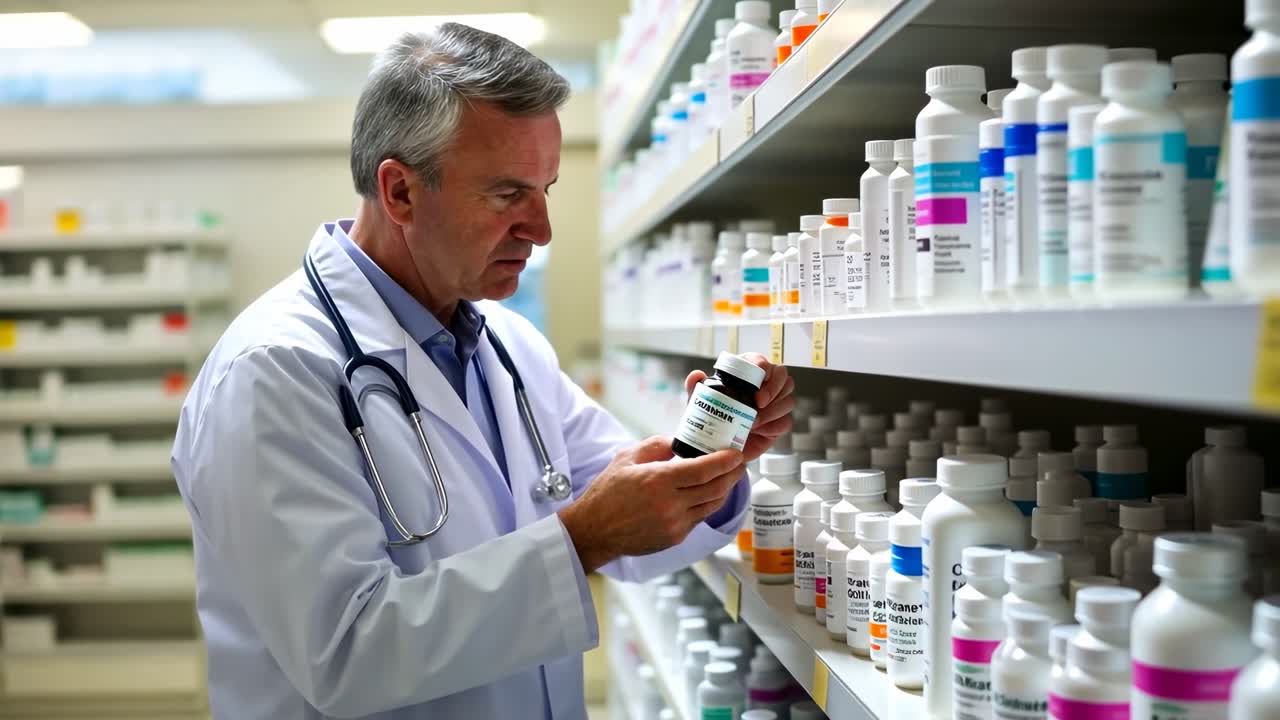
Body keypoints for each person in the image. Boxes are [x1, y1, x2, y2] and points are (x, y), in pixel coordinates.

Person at [171, 23, 794, 720]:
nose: (542, 229)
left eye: (546, 189)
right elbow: (343, 654)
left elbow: (630, 520)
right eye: (507, 195)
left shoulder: (508, 345)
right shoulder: (274, 373)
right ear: (400, 191)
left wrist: (711, 452)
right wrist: (580, 538)